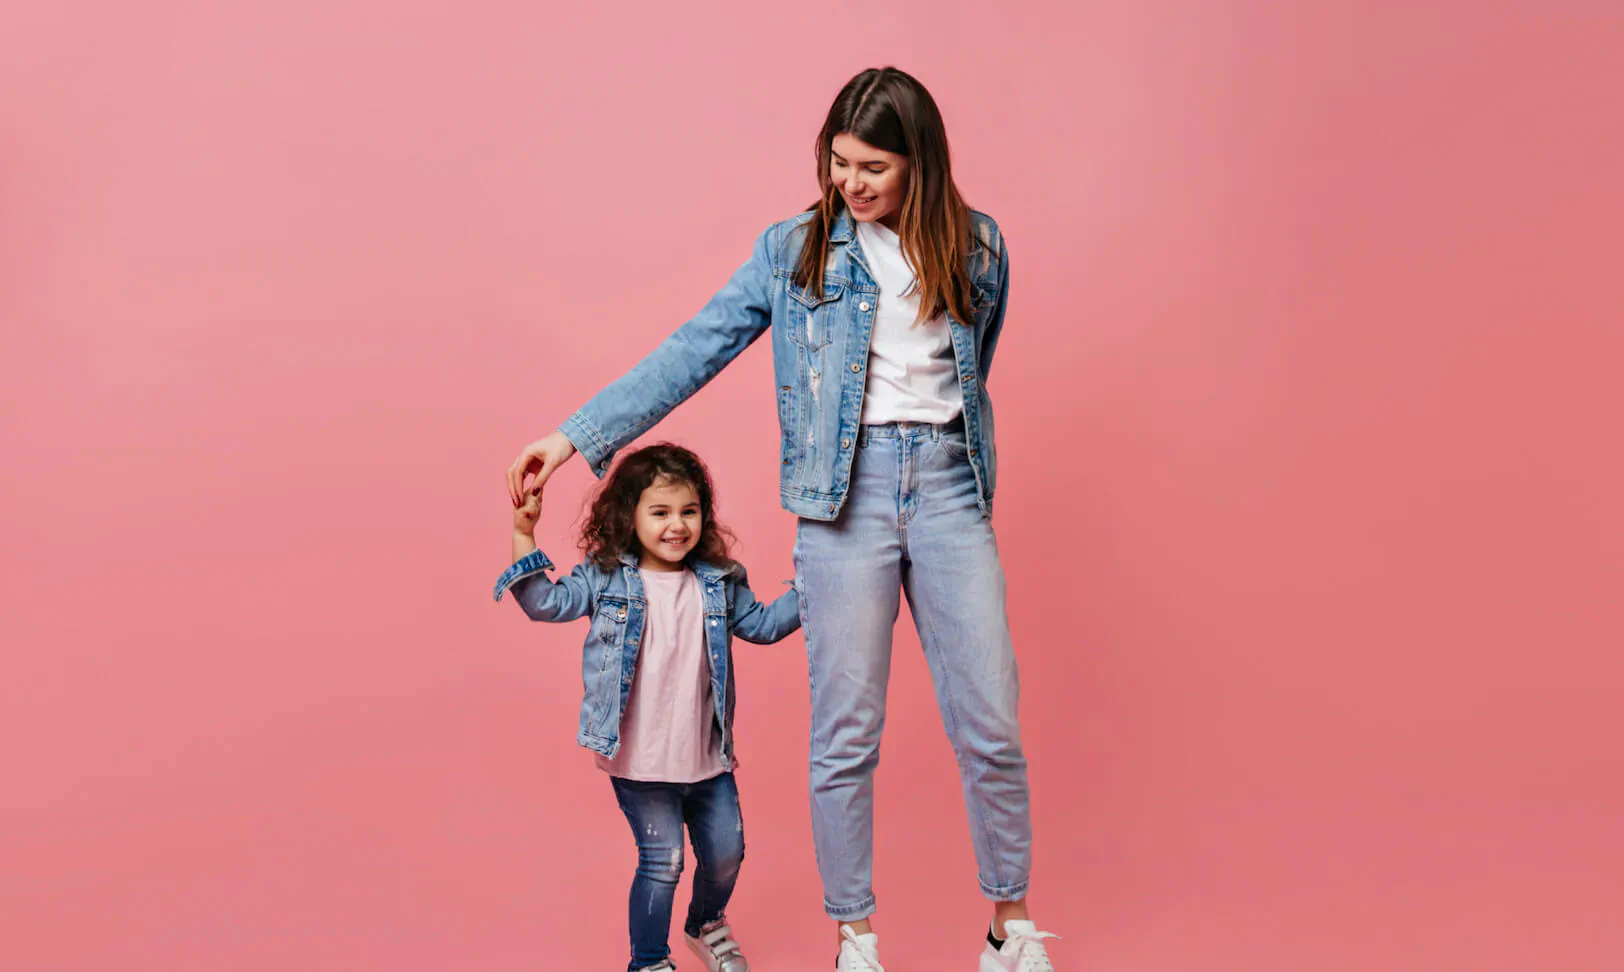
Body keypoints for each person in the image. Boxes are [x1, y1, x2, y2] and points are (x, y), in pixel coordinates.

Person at [506, 67, 1058, 971]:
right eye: (839, 163)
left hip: (951, 484)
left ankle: (1011, 929)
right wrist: (575, 436)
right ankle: (855, 939)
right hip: (845, 497)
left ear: (921, 161)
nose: (852, 183)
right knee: (847, 731)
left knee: (991, 721)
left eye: (874, 166)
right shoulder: (795, 250)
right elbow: (694, 347)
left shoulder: (980, 247)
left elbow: (975, 365)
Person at [494, 443, 800, 972]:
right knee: (665, 860)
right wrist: (525, 534)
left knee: (727, 855)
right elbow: (546, 604)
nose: (676, 525)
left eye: (689, 511)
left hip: (706, 758)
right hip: (638, 760)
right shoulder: (606, 576)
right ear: (628, 516)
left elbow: (766, 625)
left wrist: (824, 573)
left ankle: (705, 924)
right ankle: (650, 961)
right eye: (659, 512)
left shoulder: (719, 581)